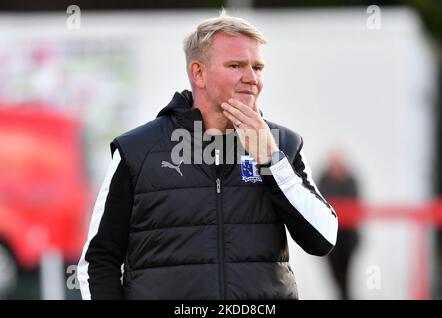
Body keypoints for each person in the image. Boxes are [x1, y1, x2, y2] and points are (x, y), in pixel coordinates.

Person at [77, 10, 338, 300]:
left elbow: (323, 240)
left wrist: (272, 162)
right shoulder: (138, 150)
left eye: (258, 67)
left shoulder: (283, 145)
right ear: (198, 73)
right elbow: (98, 260)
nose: (251, 78)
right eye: (236, 65)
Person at [318, 151, 361, 300]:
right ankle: (344, 295)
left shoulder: (350, 181)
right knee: (336, 274)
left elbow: (354, 204)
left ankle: (345, 295)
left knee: (345, 273)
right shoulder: (323, 180)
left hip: (348, 238)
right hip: (330, 237)